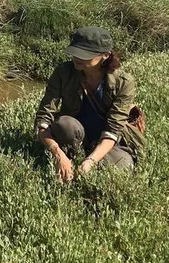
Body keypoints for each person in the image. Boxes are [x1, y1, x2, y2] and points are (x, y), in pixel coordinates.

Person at [35, 27, 144, 182]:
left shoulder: (124, 83)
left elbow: (113, 130)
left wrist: (89, 162)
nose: (77, 57)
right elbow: (43, 119)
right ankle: (72, 155)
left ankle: (88, 157)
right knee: (64, 124)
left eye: (85, 54)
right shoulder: (63, 72)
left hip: (108, 140)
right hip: (76, 133)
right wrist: (58, 153)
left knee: (122, 167)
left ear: (105, 55)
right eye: (75, 51)